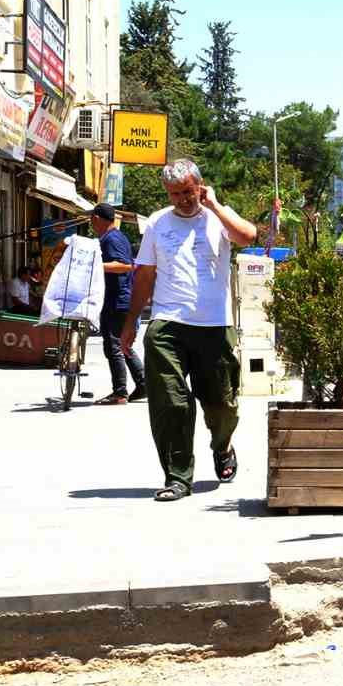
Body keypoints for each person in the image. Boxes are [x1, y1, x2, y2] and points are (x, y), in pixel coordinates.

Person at [120, 159, 258, 502]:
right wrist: (130, 323)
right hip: (168, 322)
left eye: (188, 191)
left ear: (200, 185)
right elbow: (145, 276)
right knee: (171, 402)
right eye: (175, 193)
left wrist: (214, 204)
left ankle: (222, 445)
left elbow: (248, 236)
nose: (183, 199)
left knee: (221, 403)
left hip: (214, 324)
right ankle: (178, 477)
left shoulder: (217, 217)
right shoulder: (157, 224)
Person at [90, 202, 147, 406]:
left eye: (92, 219)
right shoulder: (114, 237)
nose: (91, 223)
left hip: (118, 301)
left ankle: (120, 392)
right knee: (123, 345)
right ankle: (142, 383)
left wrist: (95, 265)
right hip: (118, 299)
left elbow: (124, 265)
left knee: (114, 346)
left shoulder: (112, 238)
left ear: (97, 218)